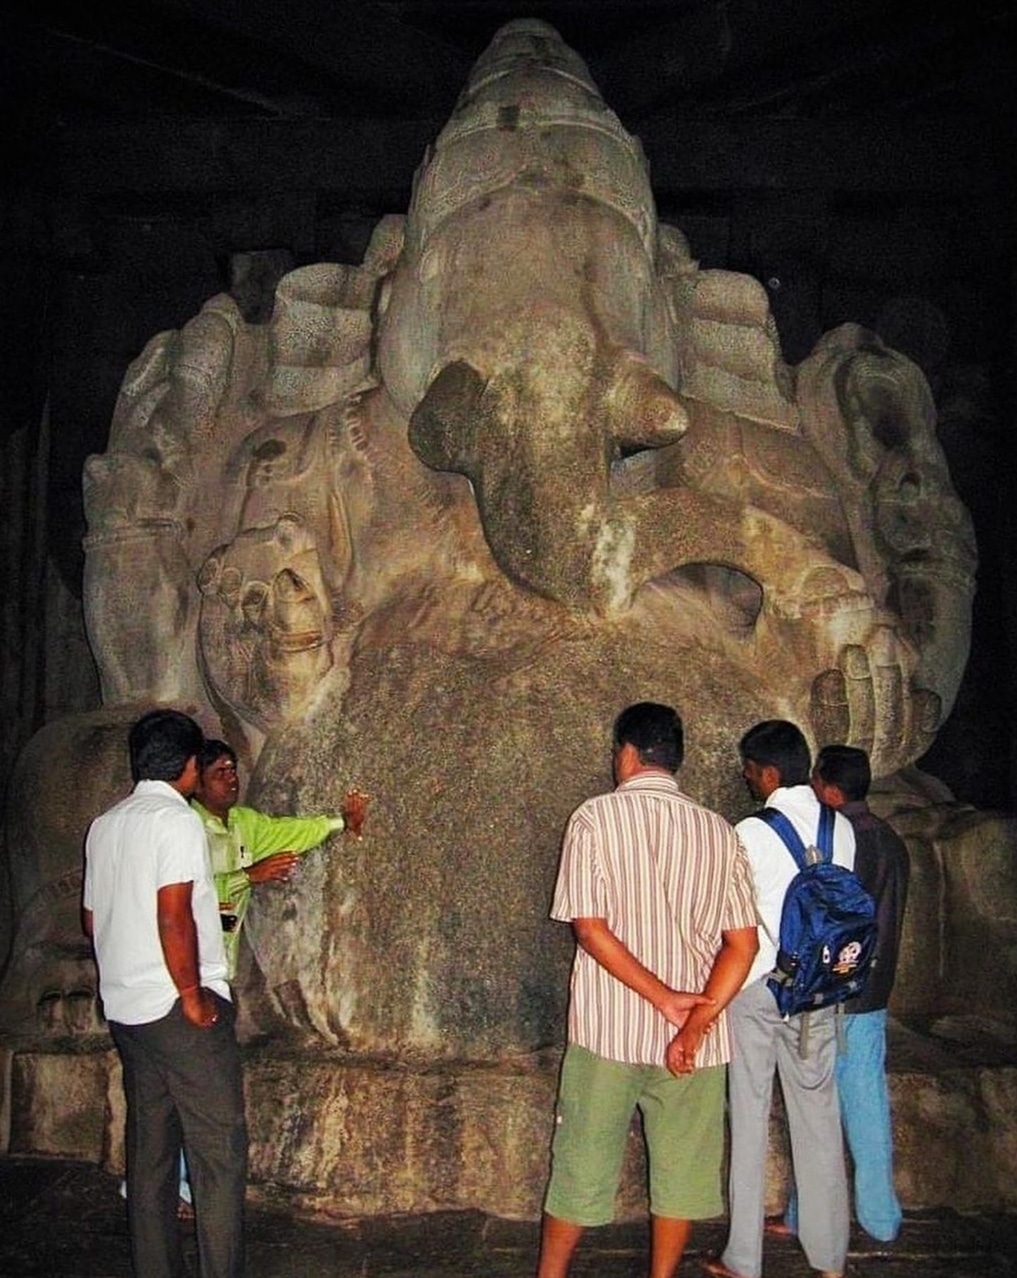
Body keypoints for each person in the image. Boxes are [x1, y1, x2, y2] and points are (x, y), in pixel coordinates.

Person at [537, 702, 759, 1278]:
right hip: (697, 1045)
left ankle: (551, 1275)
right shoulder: (719, 831)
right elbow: (744, 946)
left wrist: (661, 998)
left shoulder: (595, 818)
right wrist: (694, 1023)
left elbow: (589, 929)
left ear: (628, 754)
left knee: (582, 1163)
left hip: (609, 1031)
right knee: (683, 1174)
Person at [83, 709, 247, 1278]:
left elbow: (91, 917)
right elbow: (174, 915)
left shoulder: (106, 825)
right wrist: (193, 995)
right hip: (177, 1011)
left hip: (129, 1013)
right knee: (218, 1153)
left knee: (151, 1155)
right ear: (187, 766)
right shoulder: (176, 821)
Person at [704, 720, 856, 1278]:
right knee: (818, 1118)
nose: (746, 779)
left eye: (748, 769)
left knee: (747, 1120)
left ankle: (744, 1258)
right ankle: (830, 1257)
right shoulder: (841, 826)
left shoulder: (750, 832)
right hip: (820, 991)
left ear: (768, 772)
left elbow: (731, 919)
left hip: (759, 991)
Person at [771, 744, 909, 1244]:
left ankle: (804, 1215)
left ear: (828, 788)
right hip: (873, 993)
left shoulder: (840, 841)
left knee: (817, 1107)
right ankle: (880, 1218)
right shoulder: (892, 841)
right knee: (866, 1102)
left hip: (832, 993)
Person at [190, 739, 369, 981]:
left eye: (232, 770)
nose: (231, 779)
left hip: (219, 966)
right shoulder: (187, 827)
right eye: (219, 773)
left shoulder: (242, 822)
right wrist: (249, 876)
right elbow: (186, 894)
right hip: (183, 964)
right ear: (196, 783)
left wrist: (343, 821)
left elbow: (291, 832)